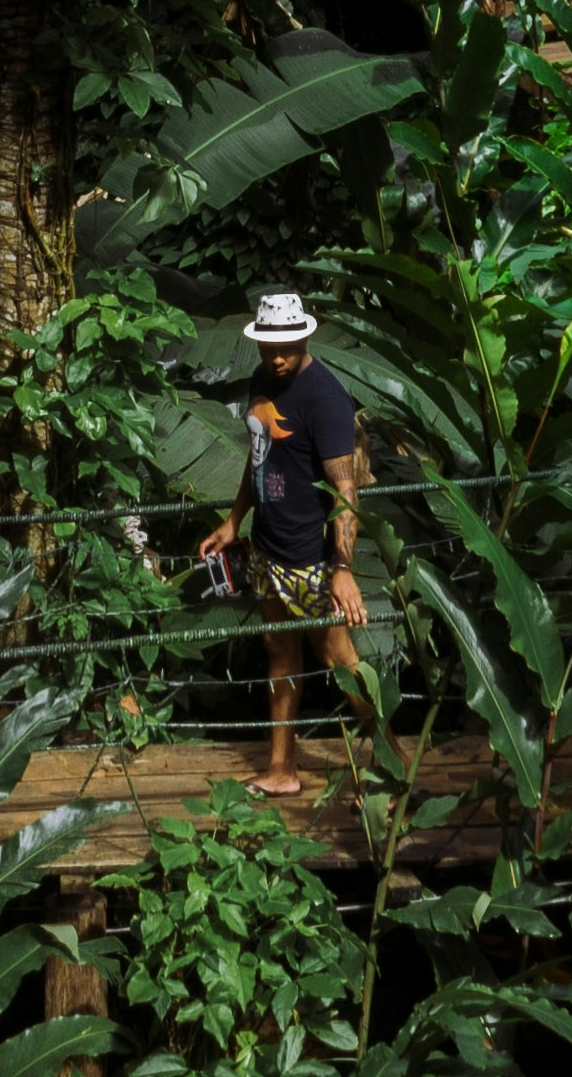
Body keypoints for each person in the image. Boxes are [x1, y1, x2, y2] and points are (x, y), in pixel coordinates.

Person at [195, 288, 366, 796]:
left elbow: (346, 491)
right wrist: (234, 521)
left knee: (340, 661)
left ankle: (395, 757)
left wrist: (342, 567)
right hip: (268, 550)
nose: (278, 354)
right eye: (270, 345)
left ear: (305, 335)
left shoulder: (326, 398)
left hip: (310, 559)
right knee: (278, 654)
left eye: (287, 344)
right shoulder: (260, 380)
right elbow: (259, 457)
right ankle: (281, 769)